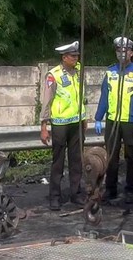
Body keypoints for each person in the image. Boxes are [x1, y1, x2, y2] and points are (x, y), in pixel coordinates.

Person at [94, 36, 133, 204]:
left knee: (131, 156)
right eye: (118, 51)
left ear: (131, 53)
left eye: (125, 51)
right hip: (113, 121)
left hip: (131, 121)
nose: (122, 54)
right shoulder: (110, 72)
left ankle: (130, 188)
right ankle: (110, 189)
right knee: (112, 157)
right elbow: (104, 97)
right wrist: (98, 118)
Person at [39, 41, 88, 211]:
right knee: (58, 162)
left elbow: (82, 96)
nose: (76, 58)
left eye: (77, 56)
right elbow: (47, 101)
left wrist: (84, 118)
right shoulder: (54, 75)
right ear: (64, 57)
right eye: (73, 56)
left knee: (76, 160)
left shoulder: (79, 72)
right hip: (60, 124)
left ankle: (76, 193)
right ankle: (55, 196)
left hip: (76, 123)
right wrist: (44, 126)